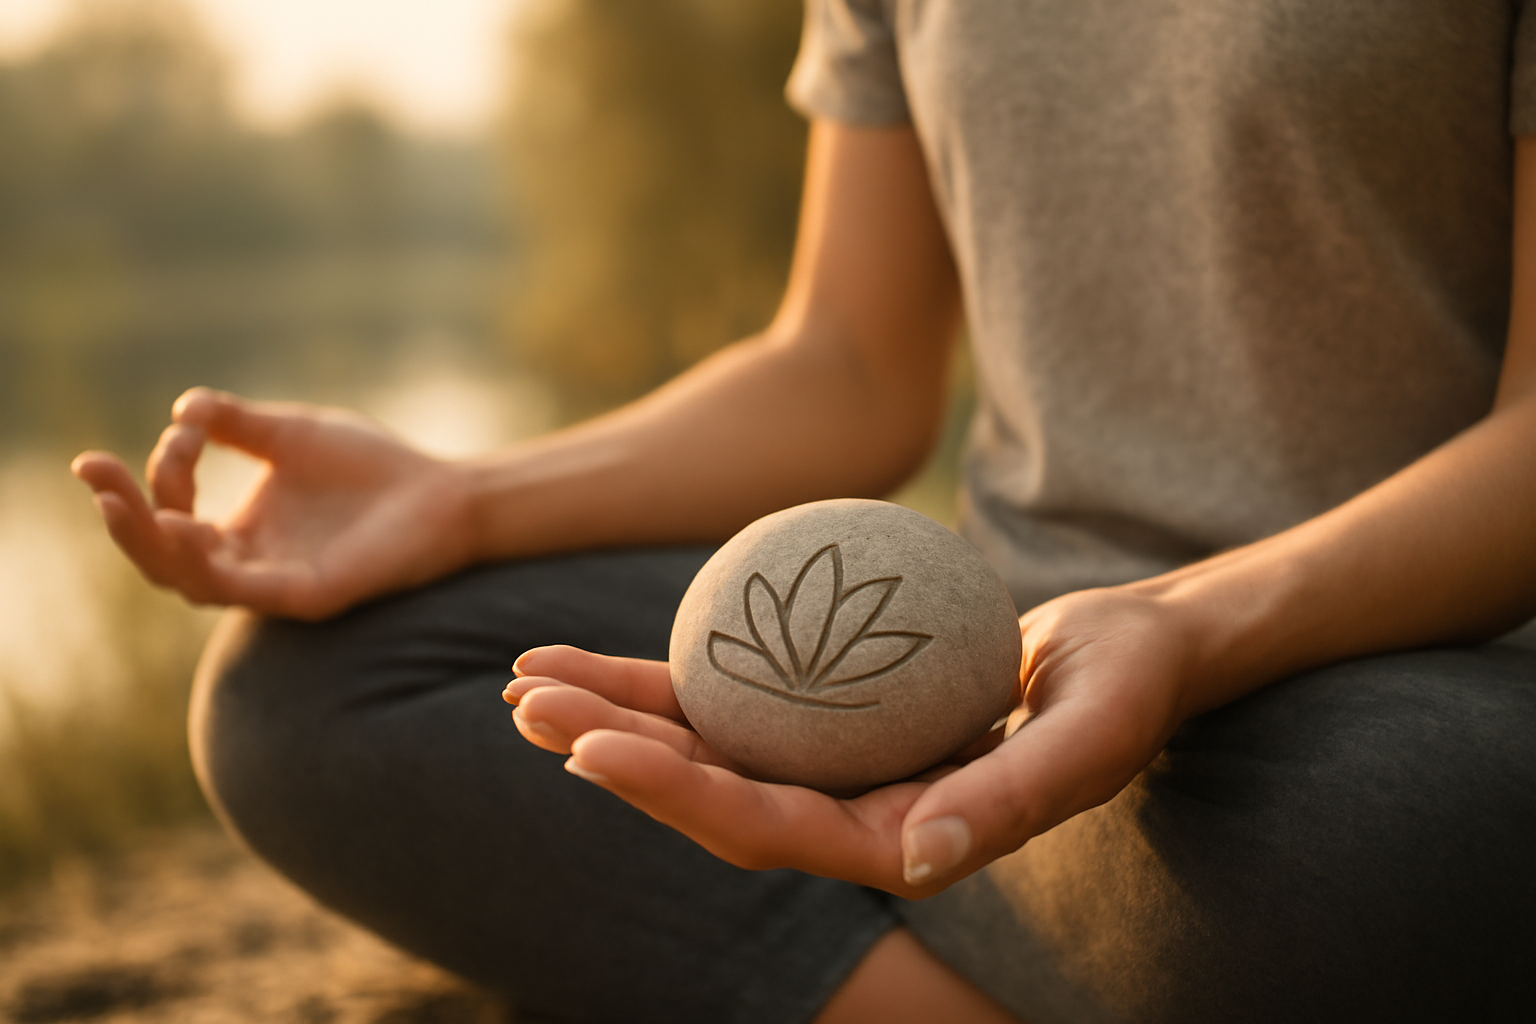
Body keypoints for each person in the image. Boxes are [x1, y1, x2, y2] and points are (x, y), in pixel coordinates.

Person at [72, 2, 1536, 1022]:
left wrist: (1181, 626)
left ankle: (953, 912)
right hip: (1005, 655)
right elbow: (848, 361)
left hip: (1391, 672)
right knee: (306, 692)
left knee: (1422, 825)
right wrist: (465, 502)